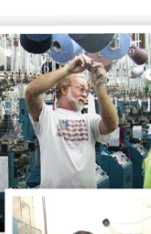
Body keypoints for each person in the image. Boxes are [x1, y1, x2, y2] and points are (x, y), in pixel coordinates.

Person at [24, 55, 119, 188]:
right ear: (64, 89)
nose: (85, 94)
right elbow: (30, 92)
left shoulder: (89, 120)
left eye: (87, 91)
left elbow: (111, 125)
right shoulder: (47, 117)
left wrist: (100, 86)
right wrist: (68, 70)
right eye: (81, 89)